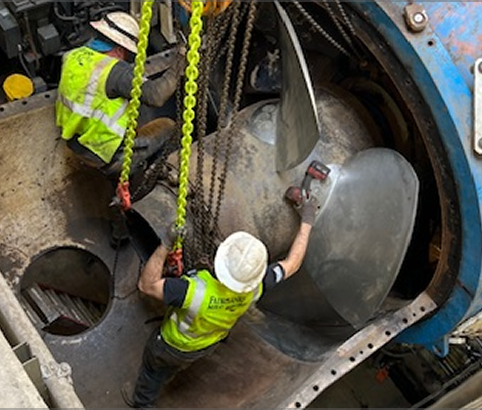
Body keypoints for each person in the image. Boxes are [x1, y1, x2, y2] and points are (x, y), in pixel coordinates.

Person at [124, 194, 320, 408]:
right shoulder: (258, 286)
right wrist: (307, 220)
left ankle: (142, 403)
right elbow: (293, 263)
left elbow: (146, 285)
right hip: (205, 346)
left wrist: (165, 244)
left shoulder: (192, 291)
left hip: (171, 344)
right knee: (173, 367)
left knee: (152, 370)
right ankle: (166, 376)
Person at [56, 11, 185, 176]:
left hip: (77, 143)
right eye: (126, 53)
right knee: (169, 127)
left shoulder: (72, 56)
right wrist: (179, 63)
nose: (126, 58)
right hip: (105, 154)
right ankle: (155, 175)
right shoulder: (114, 71)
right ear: (118, 50)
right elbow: (156, 95)